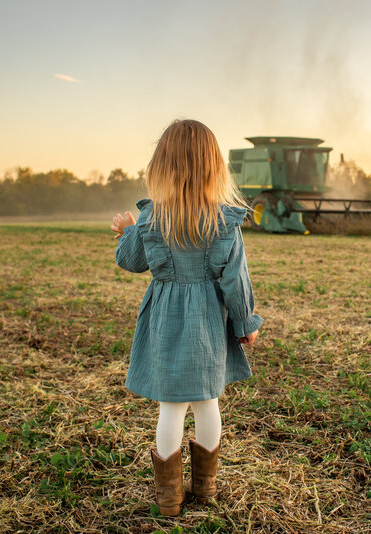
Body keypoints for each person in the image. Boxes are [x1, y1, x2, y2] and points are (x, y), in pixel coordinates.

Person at [110, 119, 263, 516]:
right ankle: (205, 489)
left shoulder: (152, 218)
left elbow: (131, 262)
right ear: (214, 167)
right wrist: (244, 324)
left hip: (166, 321)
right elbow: (236, 281)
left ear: (162, 166)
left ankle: (169, 499)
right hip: (209, 324)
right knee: (208, 403)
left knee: (171, 408)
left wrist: (127, 231)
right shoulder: (224, 220)